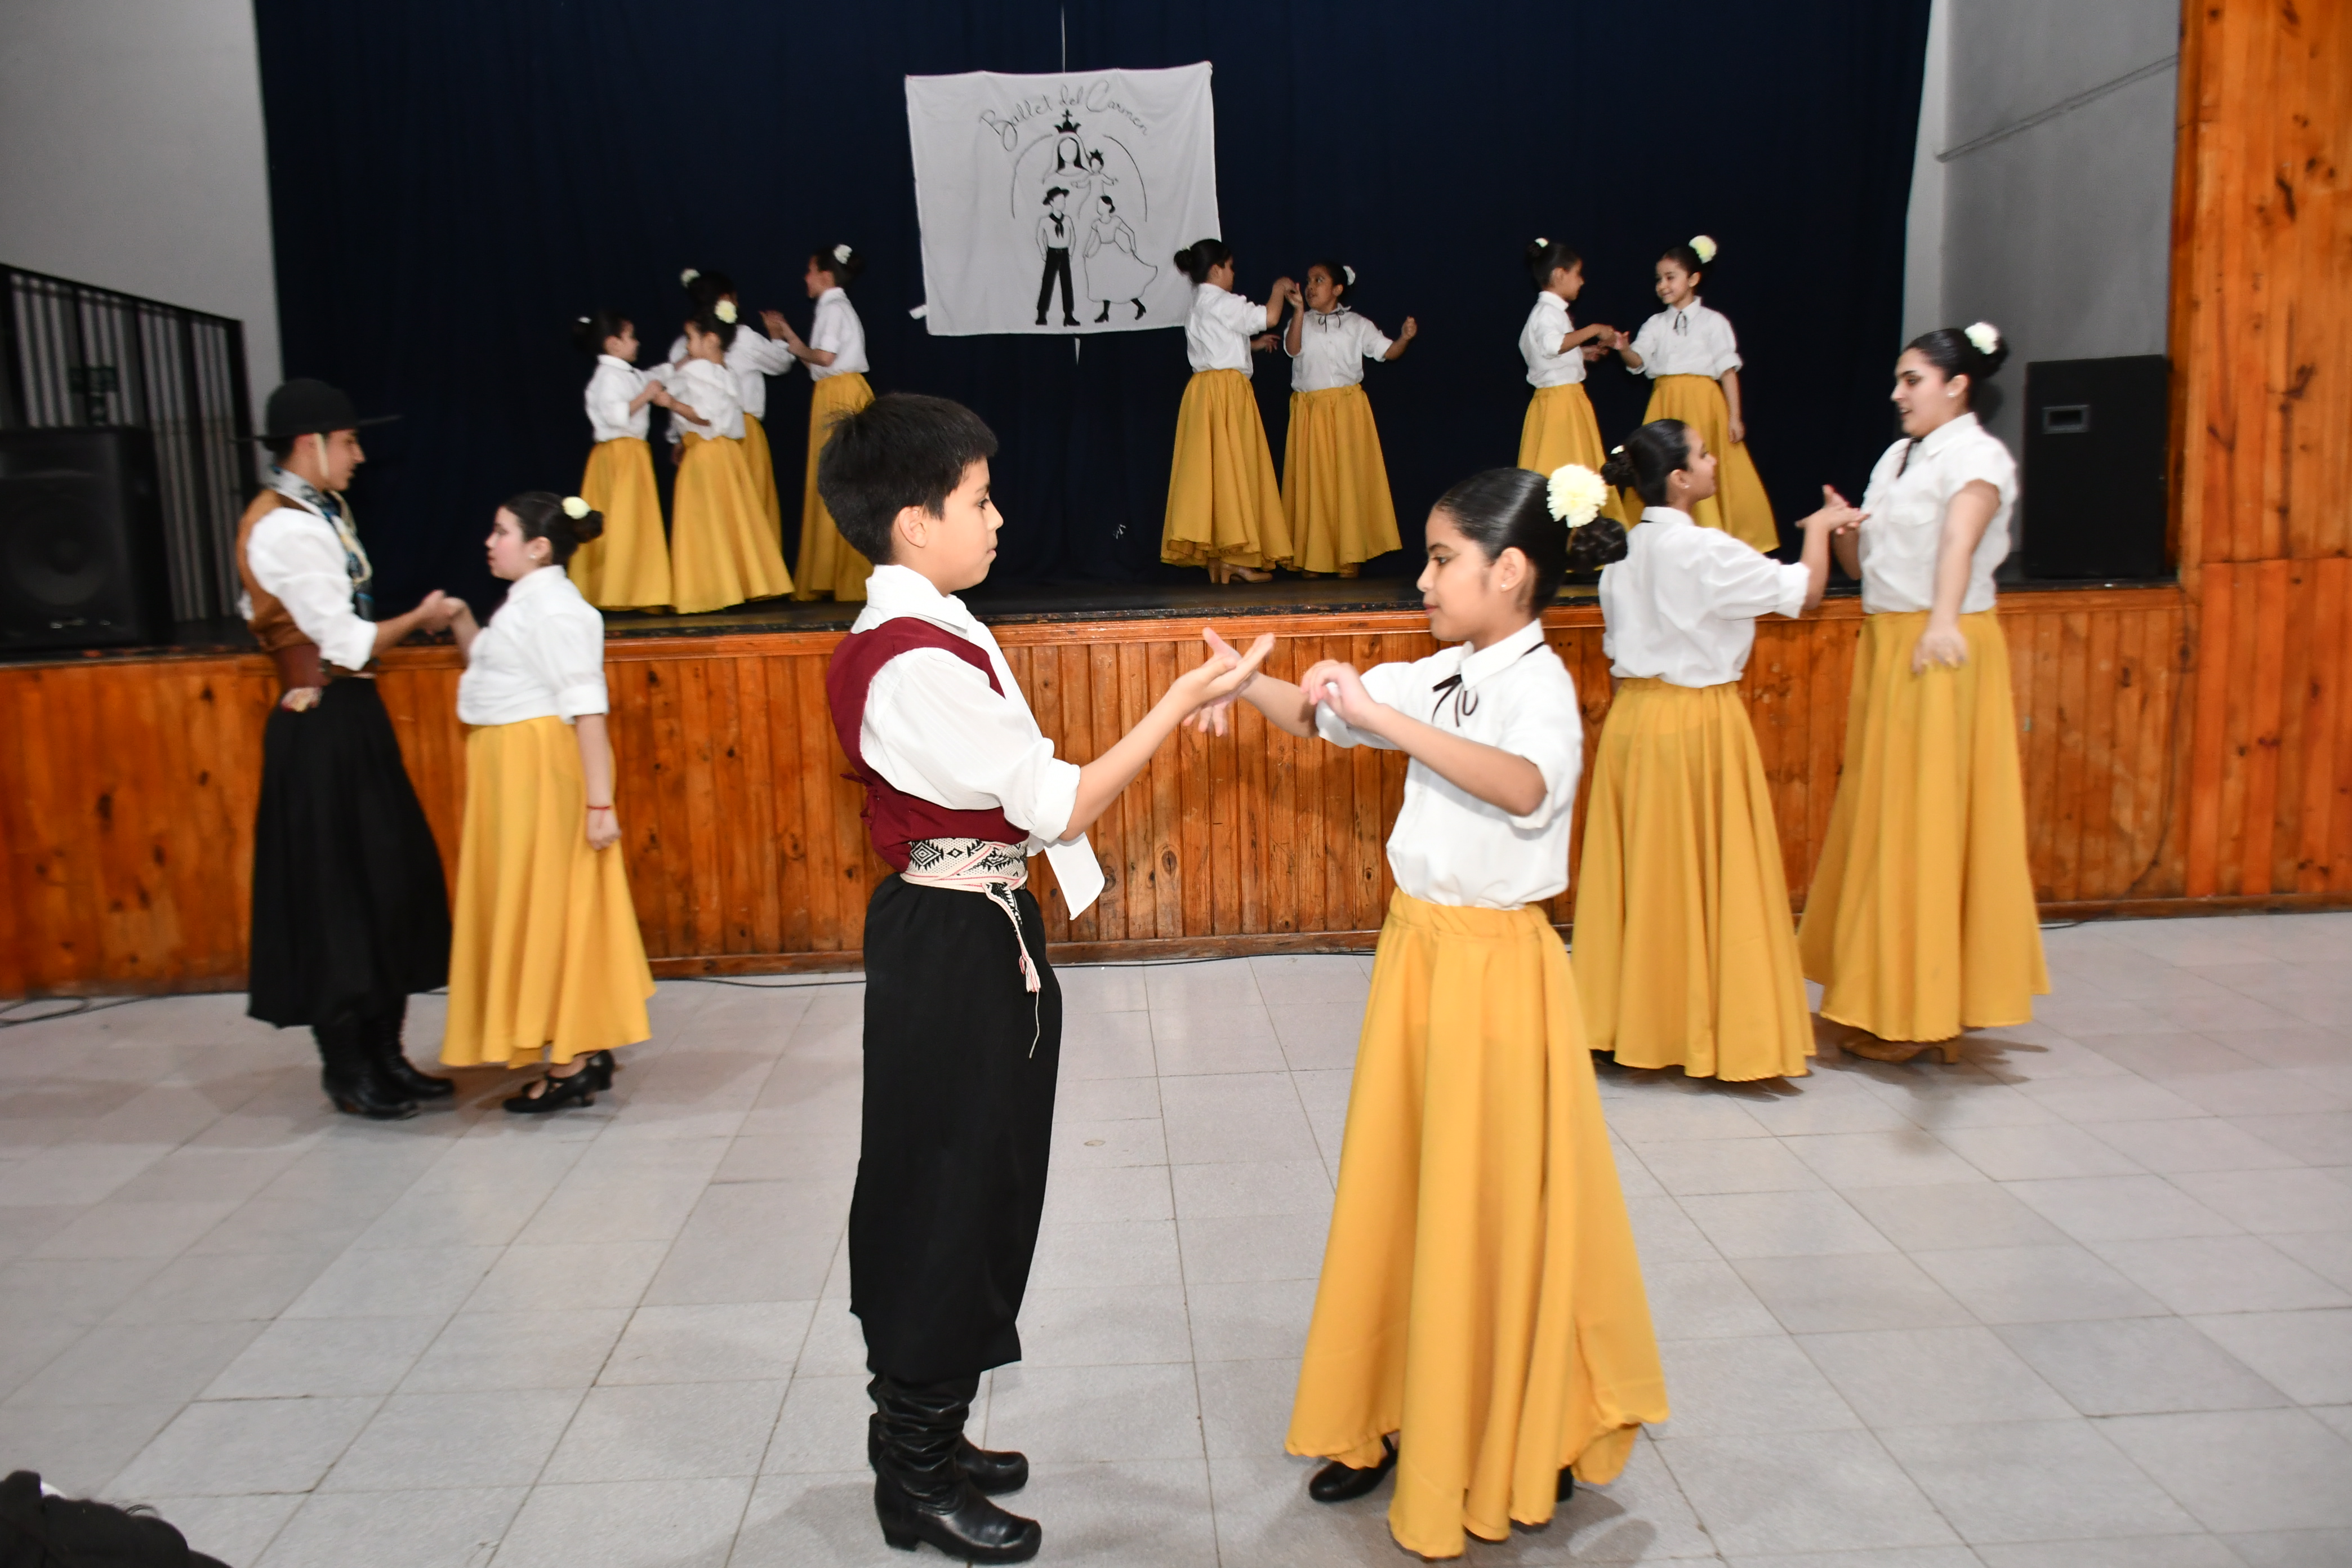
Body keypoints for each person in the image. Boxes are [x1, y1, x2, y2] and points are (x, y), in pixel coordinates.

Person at [819, 393, 1272, 1563]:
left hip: (983, 931)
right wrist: (1176, 702)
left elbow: (1025, 796)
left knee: (987, 1186)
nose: (999, 517)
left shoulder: (940, 629)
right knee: (943, 1194)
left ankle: (934, 1428)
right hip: (951, 947)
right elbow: (1054, 800)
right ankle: (912, 1473)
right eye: (978, 500)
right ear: (914, 524)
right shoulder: (912, 662)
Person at [1202, 467, 1666, 1560]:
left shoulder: (1537, 683)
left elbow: (1524, 787)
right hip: (1422, 957)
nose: (1424, 578)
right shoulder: (1452, 670)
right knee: (1406, 1190)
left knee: (1490, 1202)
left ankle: (1510, 1418)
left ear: (1510, 573)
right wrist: (1247, 689)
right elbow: (1330, 719)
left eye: (1441, 559)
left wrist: (1381, 715)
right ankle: (1389, 1412)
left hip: (1497, 970)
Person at [1799, 323, 2050, 1058]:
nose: (1898, 393)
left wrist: (1943, 619)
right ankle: (1876, 991)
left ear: (1956, 385)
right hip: (1889, 642)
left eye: (1912, 380)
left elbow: (1959, 541)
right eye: (1899, 379)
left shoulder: (1976, 457)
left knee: (1928, 823)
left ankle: (1924, 1007)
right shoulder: (1898, 456)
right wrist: (1845, 528)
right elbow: (1867, 559)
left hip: (1938, 649)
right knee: (1885, 818)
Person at [1575, 423, 1854, 1080]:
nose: (1711, 462)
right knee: (1702, 873)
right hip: (1696, 721)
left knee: (1644, 877)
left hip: (1634, 722)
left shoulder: (1625, 548)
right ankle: (1703, 1026)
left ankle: (1629, 1019)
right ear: (1679, 478)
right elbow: (1804, 594)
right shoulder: (1701, 550)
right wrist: (1821, 527)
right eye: (1702, 454)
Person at [235, 378, 458, 1119]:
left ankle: (388, 1054)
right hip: (320, 722)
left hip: (351, 715)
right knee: (336, 892)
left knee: (384, 882)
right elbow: (346, 640)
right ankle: (349, 1065)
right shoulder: (285, 527)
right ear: (312, 444)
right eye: (350, 442)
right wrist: (421, 617)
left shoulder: (317, 514)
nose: (359, 456)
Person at [438, 492, 654, 1111]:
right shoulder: (530, 604)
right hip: (514, 773)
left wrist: (598, 805)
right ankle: (578, 1043)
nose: (489, 541)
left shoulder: (558, 611)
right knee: (539, 899)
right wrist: (458, 619)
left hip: (538, 774)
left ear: (538, 547)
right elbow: (498, 676)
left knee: (556, 903)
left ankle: (572, 1062)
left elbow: (588, 710)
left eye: (501, 531)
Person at [1606, 237, 1778, 551]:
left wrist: (1735, 416)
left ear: (1693, 279)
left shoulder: (1714, 322)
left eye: (1671, 277)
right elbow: (1638, 362)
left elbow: (1728, 371)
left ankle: (1714, 534)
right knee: (1660, 465)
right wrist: (1624, 349)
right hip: (1666, 401)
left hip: (1703, 404)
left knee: (1705, 464)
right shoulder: (1655, 324)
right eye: (1659, 279)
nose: (1663, 285)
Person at [1160, 239, 1297, 584]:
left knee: (1216, 474)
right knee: (1234, 469)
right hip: (1226, 393)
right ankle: (1235, 555)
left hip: (1203, 392)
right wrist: (1279, 289)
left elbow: (1216, 342)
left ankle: (1220, 560)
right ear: (1217, 269)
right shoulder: (1222, 301)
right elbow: (1268, 316)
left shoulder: (1199, 304)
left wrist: (1249, 346)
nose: (1234, 274)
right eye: (1231, 267)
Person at [1282, 258, 1416, 578]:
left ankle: (1349, 554)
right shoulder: (1300, 321)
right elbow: (1293, 348)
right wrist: (1299, 312)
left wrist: (1405, 338)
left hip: (1346, 411)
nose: (1311, 287)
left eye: (1319, 281)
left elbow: (1386, 352)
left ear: (1338, 289)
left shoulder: (1357, 324)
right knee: (1315, 482)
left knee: (1347, 481)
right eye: (1309, 281)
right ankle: (1313, 555)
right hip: (1311, 412)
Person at [657, 304, 794, 614]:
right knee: (732, 518)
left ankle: (711, 588)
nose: (688, 346)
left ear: (711, 340)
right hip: (725, 453)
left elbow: (705, 417)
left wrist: (671, 403)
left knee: (707, 522)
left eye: (691, 338)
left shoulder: (699, 372)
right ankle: (738, 583)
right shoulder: (723, 372)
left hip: (707, 455)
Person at [770, 243, 876, 600]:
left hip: (840, 395)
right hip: (833, 389)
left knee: (843, 478)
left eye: (810, 270)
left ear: (825, 276)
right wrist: (788, 336)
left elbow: (825, 357)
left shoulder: (833, 307)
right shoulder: (834, 307)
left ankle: (850, 574)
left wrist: (788, 336)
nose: (806, 277)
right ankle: (837, 573)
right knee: (837, 477)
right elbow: (819, 365)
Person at [670, 268, 798, 545]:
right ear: (727, 299)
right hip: (743, 432)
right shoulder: (742, 336)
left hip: (699, 437)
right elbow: (780, 362)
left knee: (716, 510)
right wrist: (777, 337)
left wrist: (678, 438)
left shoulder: (684, 344)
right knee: (751, 506)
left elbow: (676, 393)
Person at [1515, 238, 1629, 525]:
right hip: (1560, 404)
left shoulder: (1550, 314)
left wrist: (1583, 353)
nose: (1582, 282)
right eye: (1578, 274)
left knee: (1569, 467)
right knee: (1563, 466)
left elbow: (1552, 353)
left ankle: (1578, 534)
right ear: (1559, 275)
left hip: (1560, 401)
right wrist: (1594, 330)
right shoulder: (1547, 314)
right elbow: (1554, 346)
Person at [569, 310, 675, 610]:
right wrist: (647, 395)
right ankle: (619, 590)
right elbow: (617, 414)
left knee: (634, 521)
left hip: (630, 454)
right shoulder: (607, 377)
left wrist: (674, 369)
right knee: (622, 521)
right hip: (619, 454)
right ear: (613, 344)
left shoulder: (626, 373)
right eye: (631, 337)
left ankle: (635, 590)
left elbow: (654, 376)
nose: (637, 343)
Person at [1081, 193, 1155, 322]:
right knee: (1105, 282)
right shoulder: (1097, 223)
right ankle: (1105, 314)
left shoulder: (1115, 221)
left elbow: (1130, 233)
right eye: (1098, 205)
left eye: (1101, 205)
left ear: (1109, 207)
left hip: (1114, 252)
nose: (1099, 207)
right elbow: (1093, 239)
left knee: (1120, 282)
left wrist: (1133, 248)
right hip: (1102, 254)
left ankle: (1140, 306)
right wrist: (1087, 252)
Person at [1034, 188, 1080, 327]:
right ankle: (1042, 315)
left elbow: (1073, 237)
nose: (1063, 203)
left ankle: (1069, 316)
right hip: (1052, 253)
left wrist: (1070, 252)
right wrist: (1043, 252)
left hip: (1064, 253)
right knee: (1048, 283)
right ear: (1052, 203)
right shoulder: (1045, 221)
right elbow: (1039, 237)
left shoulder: (1068, 220)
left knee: (1067, 284)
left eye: (1063, 200)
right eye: (1059, 201)